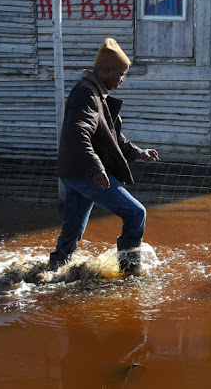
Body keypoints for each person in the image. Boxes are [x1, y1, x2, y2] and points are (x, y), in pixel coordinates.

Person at [49, 38, 159, 273]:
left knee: (74, 229)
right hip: (87, 173)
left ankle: (54, 271)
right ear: (105, 70)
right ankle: (129, 271)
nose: (122, 78)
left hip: (75, 172)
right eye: (120, 73)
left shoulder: (97, 94)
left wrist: (139, 153)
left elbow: (112, 138)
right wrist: (97, 169)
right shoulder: (86, 94)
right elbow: (79, 132)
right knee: (135, 212)